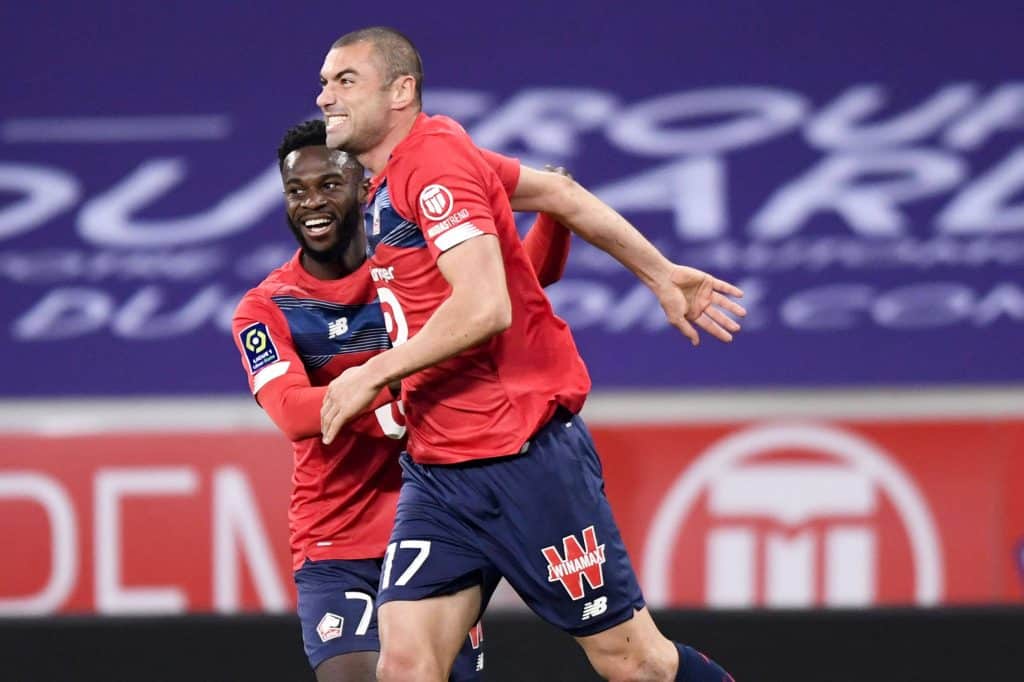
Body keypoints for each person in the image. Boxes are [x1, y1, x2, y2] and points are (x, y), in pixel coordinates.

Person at [316, 27, 744, 682]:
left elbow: (486, 307)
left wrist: (371, 373)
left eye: (345, 81)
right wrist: (660, 273)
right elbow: (559, 194)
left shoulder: (434, 165)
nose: (325, 97)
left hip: (521, 460)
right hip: (440, 471)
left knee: (637, 664)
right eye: (324, 83)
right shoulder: (413, 166)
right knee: (404, 666)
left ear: (401, 91)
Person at [231, 119, 572, 682]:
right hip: (336, 537)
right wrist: (394, 379)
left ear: (365, 187)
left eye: (329, 184)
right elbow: (292, 413)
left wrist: (556, 211)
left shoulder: (408, 265)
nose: (311, 203)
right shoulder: (268, 307)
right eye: (296, 190)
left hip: (439, 524)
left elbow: (523, 283)